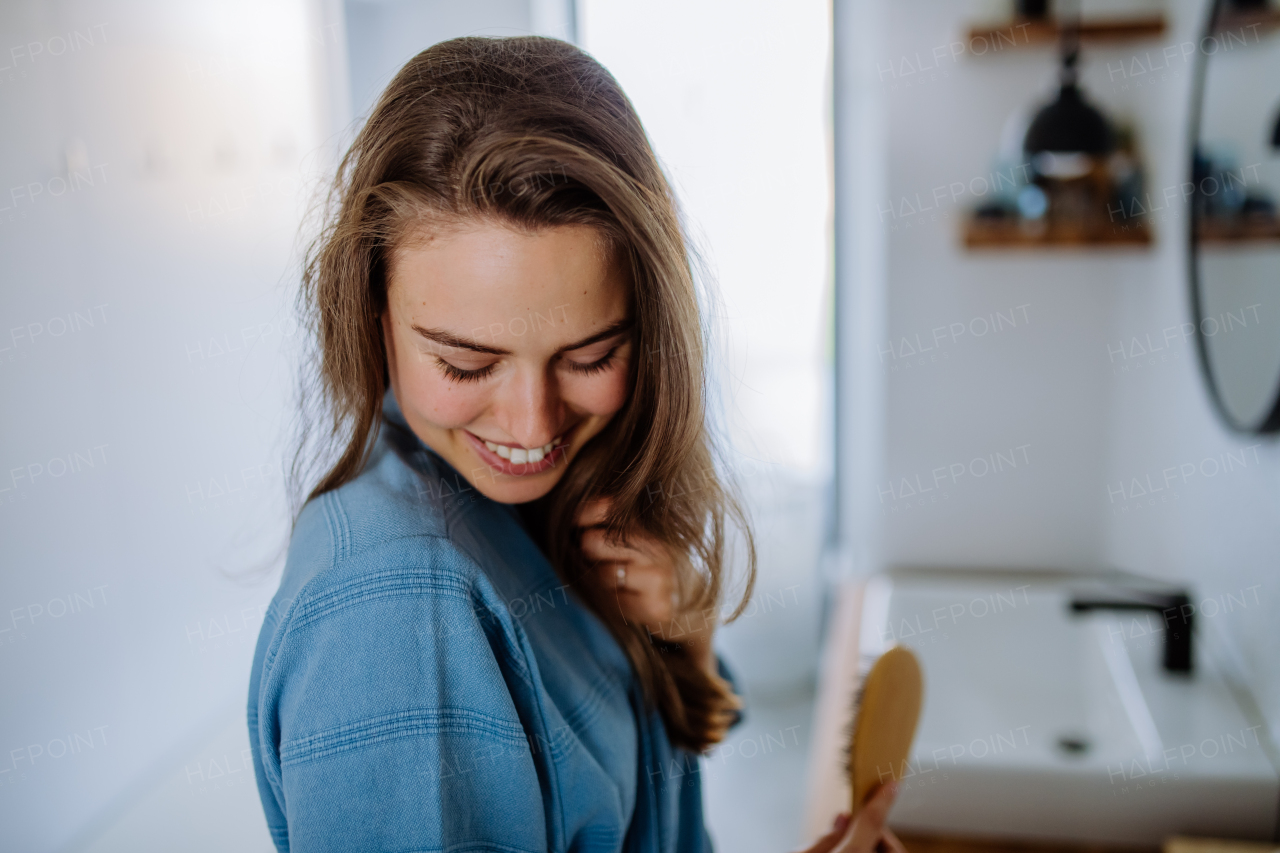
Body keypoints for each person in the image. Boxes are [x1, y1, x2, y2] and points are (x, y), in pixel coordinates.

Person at [247, 35, 904, 853]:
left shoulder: (551, 501)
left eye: (591, 356)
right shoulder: (392, 611)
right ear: (372, 316)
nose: (531, 426)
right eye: (466, 362)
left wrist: (681, 641)